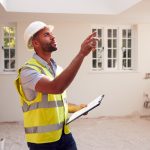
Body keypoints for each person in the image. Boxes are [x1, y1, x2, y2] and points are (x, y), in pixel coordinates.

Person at [14, 21, 97, 150]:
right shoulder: (28, 71)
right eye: (47, 34)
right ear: (35, 42)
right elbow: (56, 88)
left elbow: (55, 101)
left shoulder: (57, 69)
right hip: (42, 142)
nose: (53, 37)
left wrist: (75, 108)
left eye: (52, 34)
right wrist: (81, 54)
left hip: (64, 134)